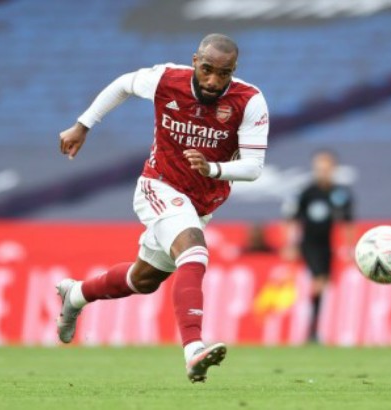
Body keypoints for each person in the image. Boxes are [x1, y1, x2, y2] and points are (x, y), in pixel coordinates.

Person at [57, 33, 269, 383]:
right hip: (159, 184)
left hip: (201, 202)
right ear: (195, 61)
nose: (213, 81)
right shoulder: (167, 79)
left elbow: (253, 167)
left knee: (144, 279)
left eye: (224, 73)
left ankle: (75, 295)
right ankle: (193, 350)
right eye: (207, 69)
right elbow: (123, 84)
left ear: (234, 70)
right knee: (194, 252)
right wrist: (83, 125)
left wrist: (212, 169)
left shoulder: (250, 101)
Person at [282, 150, 355, 343]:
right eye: (319, 168)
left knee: (323, 283)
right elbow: (291, 219)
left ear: (333, 169)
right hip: (309, 244)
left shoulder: (340, 194)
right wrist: (290, 244)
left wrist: (349, 247)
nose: (323, 172)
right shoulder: (307, 192)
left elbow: (347, 222)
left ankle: (314, 327)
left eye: (326, 168)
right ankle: (311, 329)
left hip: (326, 245)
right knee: (318, 281)